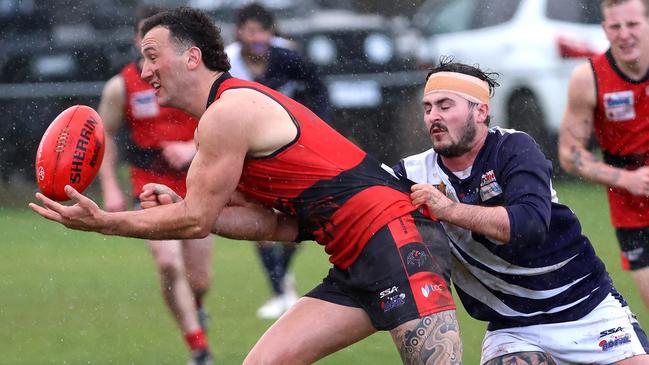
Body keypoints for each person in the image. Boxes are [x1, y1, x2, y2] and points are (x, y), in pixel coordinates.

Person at [29, 7, 461, 364]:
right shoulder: (216, 122)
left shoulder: (227, 114)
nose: (144, 71)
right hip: (353, 258)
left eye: (152, 55)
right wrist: (185, 202)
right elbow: (274, 227)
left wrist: (105, 221)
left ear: (192, 57)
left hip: (397, 239)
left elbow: (195, 221)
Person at [394, 58, 649, 364]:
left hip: (587, 308)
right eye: (428, 107)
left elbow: (528, 225)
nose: (433, 116)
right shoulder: (411, 173)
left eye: (445, 105)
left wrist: (448, 209)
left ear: (481, 111)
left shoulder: (515, 149)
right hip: (514, 330)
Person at [96, 5, 214, 365]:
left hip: (196, 185)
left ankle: (195, 307)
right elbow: (103, 136)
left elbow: (225, 122)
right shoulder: (121, 86)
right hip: (148, 186)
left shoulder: (196, 79)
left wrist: (192, 146)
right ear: (137, 39)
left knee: (200, 280)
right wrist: (111, 187)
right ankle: (198, 347)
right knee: (167, 263)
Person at [224, 2, 332, 319]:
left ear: (271, 33)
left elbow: (320, 91)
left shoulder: (289, 56)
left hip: (290, 148)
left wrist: (316, 128)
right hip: (249, 149)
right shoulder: (229, 62)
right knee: (257, 214)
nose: (257, 37)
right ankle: (278, 291)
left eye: (263, 30)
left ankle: (281, 280)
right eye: (251, 30)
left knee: (296, 216)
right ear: (240, 32)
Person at [559, 0, 649, 314]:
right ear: (604, 29)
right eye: (615, 26)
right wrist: (627, 179)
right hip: (634, 212)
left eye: (633, 25)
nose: (624, 35)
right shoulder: (589, 78)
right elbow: (570, 154)